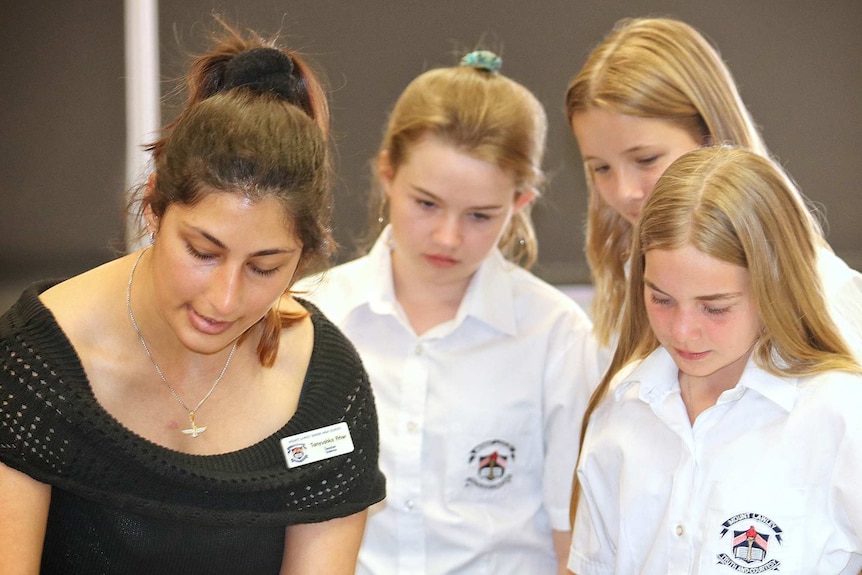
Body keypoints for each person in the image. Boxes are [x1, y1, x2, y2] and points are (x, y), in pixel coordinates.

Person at [0, 22, 384, 575]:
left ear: (305, 256)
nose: (224, 300)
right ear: (154, 207)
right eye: (203, 252)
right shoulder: (36, 366)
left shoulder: (328, 389)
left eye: (264, 266)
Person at [296, 50, 600, 574]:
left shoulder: (556, 335)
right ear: (388, 173)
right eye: (427, 203)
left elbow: (571, 536)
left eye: (481, 215)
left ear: (520, 203)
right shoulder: (310, 317)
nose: (447, 237)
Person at [567, 146, 862, 574]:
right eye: (661, 299)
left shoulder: (839, 413)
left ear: (776, 284)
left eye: (715, 307)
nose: (683, 331)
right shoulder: (624, 405)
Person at [564, 17, 862, 356]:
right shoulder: (627, 277)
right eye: (600, 168)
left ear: (713, 138)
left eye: (646, 160)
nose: (623, 192)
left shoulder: (821, 291)